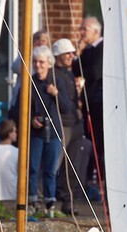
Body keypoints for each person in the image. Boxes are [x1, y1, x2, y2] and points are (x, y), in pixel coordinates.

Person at [28, 45, 69, 217]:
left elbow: (66, 107)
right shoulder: (30, 81)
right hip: (36, 131)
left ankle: (50, 203)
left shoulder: (56, 81)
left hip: (53, 130)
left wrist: (56, 94)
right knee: (33, 167)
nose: (38, 66)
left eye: (42, 62)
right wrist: (31, 120)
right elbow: (21, 107)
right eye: (36, 62)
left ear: (49, 64)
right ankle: (32, 201)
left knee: (50, 169)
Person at [51, 38, 87, 216]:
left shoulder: (70, 73)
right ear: (58, 55)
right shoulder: (53, 74)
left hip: (74, 122)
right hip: (62, 124)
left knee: (72, 164)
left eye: (72, 53)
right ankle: (48, 200)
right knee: (55, 163)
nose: (71, 56)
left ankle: (68, 202)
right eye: (68, 54)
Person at [73, 16, 105, 184]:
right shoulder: (87, 50)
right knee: (89, 140)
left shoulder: (102, 47)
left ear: (95, 31)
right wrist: (78, 53)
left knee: (100, 141)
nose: (81, 33)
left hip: (100, 102)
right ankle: (89, 177)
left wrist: (83, 69)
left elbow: (95, 72)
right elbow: (75, 69)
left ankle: (100, 179)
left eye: (84, 29)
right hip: (89, 102)